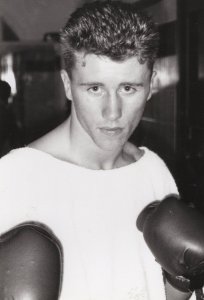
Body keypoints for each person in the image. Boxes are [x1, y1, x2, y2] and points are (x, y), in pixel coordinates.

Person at [0, 1, 197, 299]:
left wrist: (182, 279)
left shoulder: (152, 170)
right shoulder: (15, 178)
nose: (112, 112)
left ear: (151, 85)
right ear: (67, 85)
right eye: (95, 88)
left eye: (128, 88)